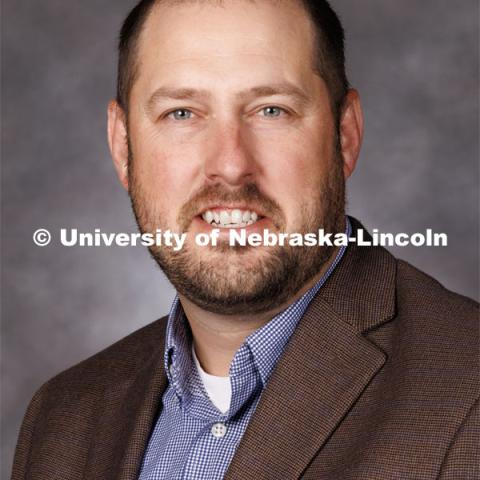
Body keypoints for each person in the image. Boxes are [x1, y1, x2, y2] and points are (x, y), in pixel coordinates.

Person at [11, 1, 478, 479]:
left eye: (271, 110)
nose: (231, 165)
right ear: (122, 146)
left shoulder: (468, 390)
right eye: (182, 113)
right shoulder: (62, 418)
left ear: (345, 136)